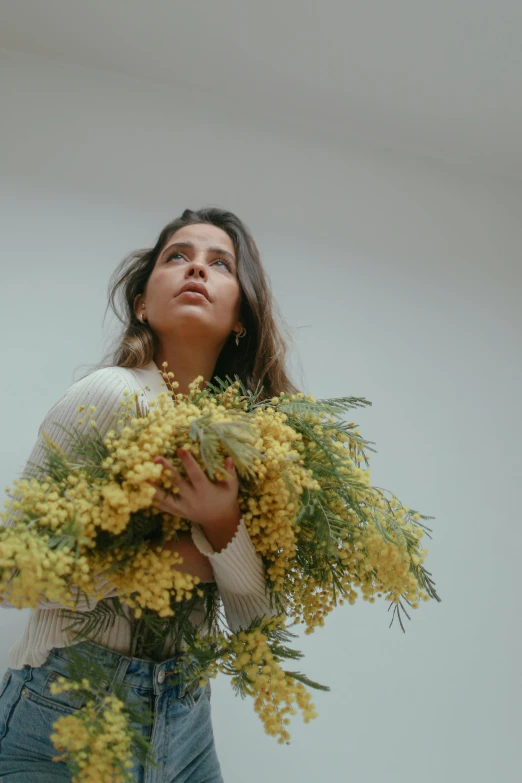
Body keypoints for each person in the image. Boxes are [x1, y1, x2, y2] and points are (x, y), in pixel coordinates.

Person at [0, 207, 300, 781]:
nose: (196, 270)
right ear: (143, 302)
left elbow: (257, 620)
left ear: (242, 314)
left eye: (220, 264)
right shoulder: (110, 395)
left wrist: (222, 521)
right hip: (67, 713)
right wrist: (170, 564)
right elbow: (12, 574)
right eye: (177, 257)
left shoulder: (254, 438)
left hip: (186, 721)